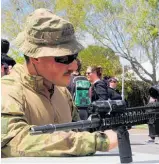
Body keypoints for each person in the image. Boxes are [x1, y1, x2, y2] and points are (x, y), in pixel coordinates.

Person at [1, 8, 117, 157]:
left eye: (74, 56)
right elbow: (14, 141)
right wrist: (97, 141)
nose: (74, 66)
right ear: (36, 56)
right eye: (64, 58)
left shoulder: (63, 92)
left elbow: (78, 132)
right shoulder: (7, 91)